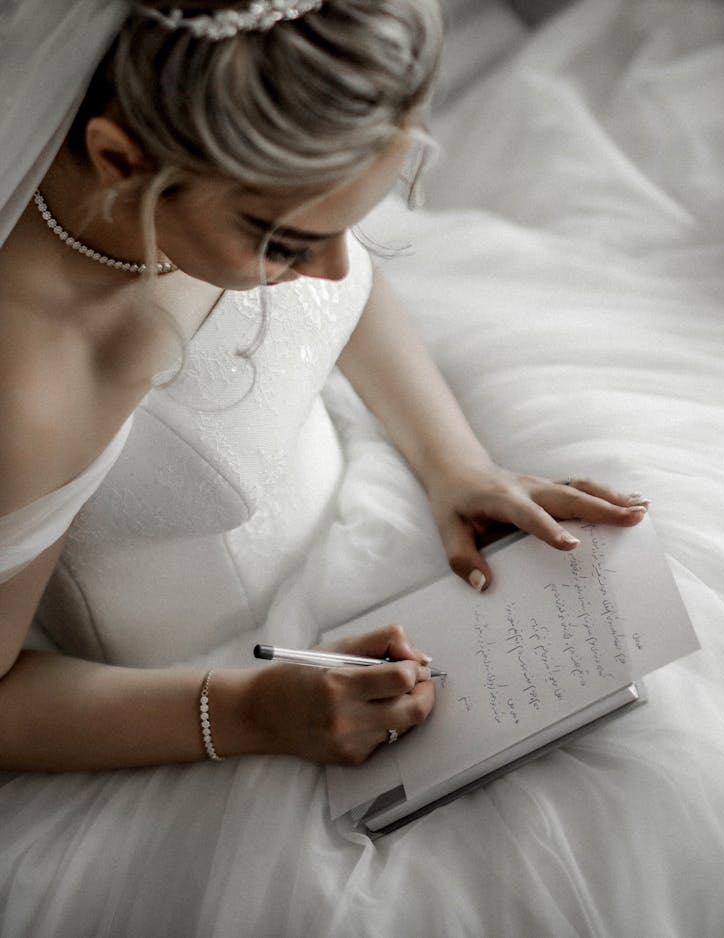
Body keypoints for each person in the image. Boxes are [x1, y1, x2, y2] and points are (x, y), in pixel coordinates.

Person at [0, 0, 649, 775]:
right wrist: (249, 712)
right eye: (288, 243)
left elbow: (339, 293)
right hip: (205, 698)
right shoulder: (27, 393)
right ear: (121, 161)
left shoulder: (239, 160)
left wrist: (456, 464)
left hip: (373, 498)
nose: (340, 267)